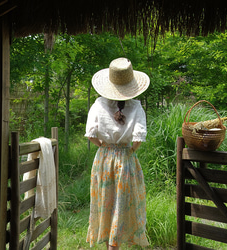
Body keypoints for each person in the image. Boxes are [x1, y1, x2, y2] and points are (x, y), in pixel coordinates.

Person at [85, 57, 150, 250]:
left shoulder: (98, 104)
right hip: (125, 159)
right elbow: (138, 138)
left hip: (104, 158)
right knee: (123, 202)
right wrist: (129, 150)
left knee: (105, 200)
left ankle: (109, 245)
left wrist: (103, 144)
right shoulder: (136, 106)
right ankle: (117, 243)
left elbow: (90, 134)